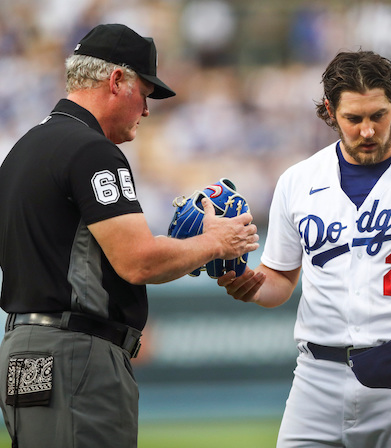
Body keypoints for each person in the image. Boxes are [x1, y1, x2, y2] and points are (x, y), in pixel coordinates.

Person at [0, 23, 259, 448]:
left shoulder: (24, 148)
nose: (147, 109)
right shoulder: (91, 150)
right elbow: (138, 260)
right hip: (75, 355)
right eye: (145, 92)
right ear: (117, 80)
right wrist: (216, 241)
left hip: (23, 350)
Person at [218, 49, 391, 448]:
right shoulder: (299, 181)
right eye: (354, 118)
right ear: (329, 111)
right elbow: (280, 282)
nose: (367, 130)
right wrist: (250, 283)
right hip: (316, 377)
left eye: (378, 115)